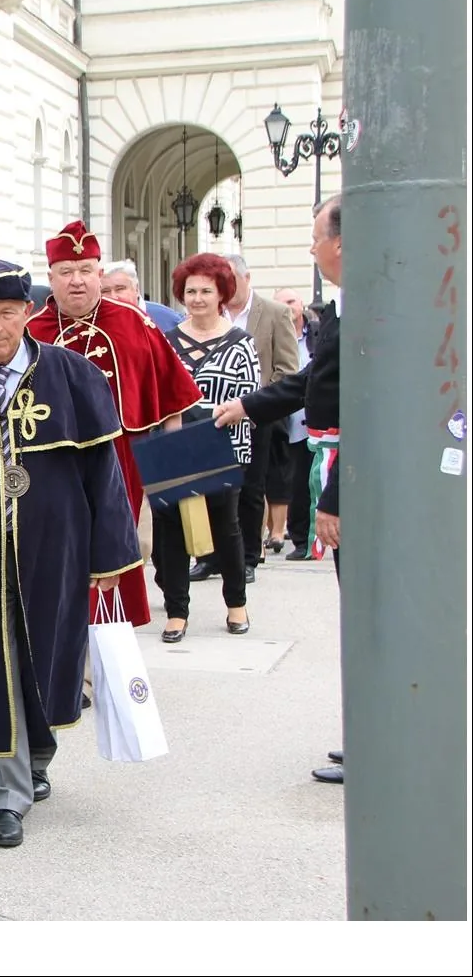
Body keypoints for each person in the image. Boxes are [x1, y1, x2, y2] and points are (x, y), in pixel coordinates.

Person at [0, 259, 141, 848]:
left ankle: (36, 754)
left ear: (29, 312)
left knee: (46, 657)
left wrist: (111, 559)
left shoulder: (74, 375)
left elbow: (104, 474)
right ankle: (3, 794)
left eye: (6, 313)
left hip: (57, 547)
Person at [215, 195, 344, 783]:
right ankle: (365, 729)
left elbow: (368, 411)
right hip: (333, 456)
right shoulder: (344, 308)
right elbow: (310, 381)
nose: (311, 250)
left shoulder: (364, 307)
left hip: (348, 466)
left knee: (368, 616)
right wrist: (245, 404)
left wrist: (336, 499)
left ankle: (379, 735)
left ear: (339, 244)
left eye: (315, 238)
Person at [26, 221, 202, 631]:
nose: (77, 281)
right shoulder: (32, 332)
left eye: (86, 270)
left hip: (122, 462)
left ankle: (109, 649)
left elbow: (172, 394)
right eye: (66, 272)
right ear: (50, 277)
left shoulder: (132, 322)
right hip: (52, 466)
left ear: (98, 274)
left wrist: (173, 464)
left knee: (116, 551)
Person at [152, 254, 260, 643]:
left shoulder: (240, 343)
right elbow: (157, 395)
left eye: (205, 291)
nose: (197, 298)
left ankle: (236, 604)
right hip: (173, 446)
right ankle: (177, 612)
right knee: (171, 531)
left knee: (225, 527)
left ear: (222, 295)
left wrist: (198, 416)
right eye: (190, 291)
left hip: (222, 447)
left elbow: (249, 400)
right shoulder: (166, 341)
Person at [187, 254, 297, 585]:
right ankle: (208, 557)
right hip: (206, 417)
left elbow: (287, 369)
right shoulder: (205, 312)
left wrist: (254, 401)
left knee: (250, 488)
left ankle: (247, 557)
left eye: (229, 276)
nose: (223, 283)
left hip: (255, 416)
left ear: (246, 278)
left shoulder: (275, 313)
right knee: (206, 486)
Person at [271, 288, 315, 562]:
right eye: (281, 304)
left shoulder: (319, 332)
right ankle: (301, 540)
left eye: (291, 302)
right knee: (295, 483)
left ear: (301, 303)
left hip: (317, 418)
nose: (287, 308)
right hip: (288, 417)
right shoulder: (275, 331)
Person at [101, 259, 181, 333]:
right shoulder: (95, 323)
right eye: (105, 291)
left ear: (136, 289)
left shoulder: (169, 320)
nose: (113, 297)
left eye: (120, 289)